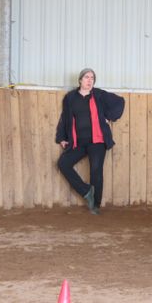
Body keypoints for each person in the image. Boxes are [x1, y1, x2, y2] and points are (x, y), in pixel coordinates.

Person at [56, 68, 125, 215]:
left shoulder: (99, 95)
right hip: (78, 142)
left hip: (97, 141)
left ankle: (96, 205)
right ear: (80, 80)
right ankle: (86, 191)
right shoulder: (70, 98)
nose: (89, 80)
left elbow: (120, 102)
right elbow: (65, 119)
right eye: (86, 77)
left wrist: (109, 117)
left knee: (96, 171)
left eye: (92, 78)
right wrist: (62, 137)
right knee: (63, 163)